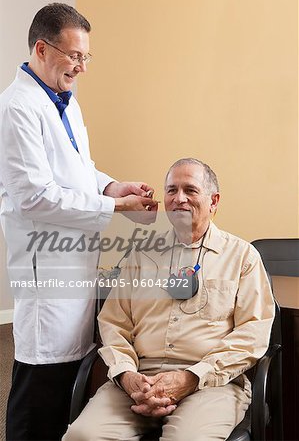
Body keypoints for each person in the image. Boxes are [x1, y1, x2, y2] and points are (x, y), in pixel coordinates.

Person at [0, 3, 158, 441]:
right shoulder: (18, 108)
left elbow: (79, 169)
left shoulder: (65, 103)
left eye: (86, 57)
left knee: (69, 384)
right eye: (75, 56)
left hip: (75, 265)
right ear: (42, 48)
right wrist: (114, 210)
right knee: (39, 391)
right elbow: (35, 197)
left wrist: (112, 187)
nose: (82, 67)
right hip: (46, 271)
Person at [63, 158, 275, 441]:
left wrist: (191, 377)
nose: (179, 199)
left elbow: (253, 333)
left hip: (210, 383)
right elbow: (114, 322)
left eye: (190, 190)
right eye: (171, 190)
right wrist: (127, 375)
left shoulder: (243, 257)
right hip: (140, 380)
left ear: (213, 201)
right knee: (81, 436)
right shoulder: (141, 255)